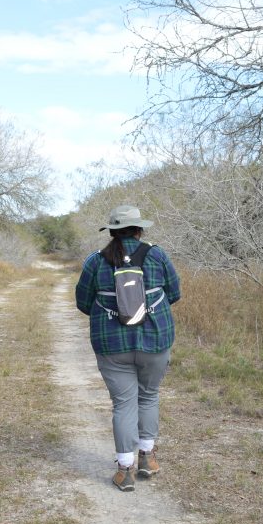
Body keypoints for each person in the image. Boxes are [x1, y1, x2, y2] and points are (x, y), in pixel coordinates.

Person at [75, 205, 181, 492]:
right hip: (155, 340)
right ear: (139, 229)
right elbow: (174, 293)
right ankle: (147, 458)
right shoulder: (157, 255)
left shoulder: (96, 262)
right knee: (148, 396)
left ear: (111, 231)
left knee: (123, 404)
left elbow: (83, 303)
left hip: (111, 344)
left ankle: (125, 470)